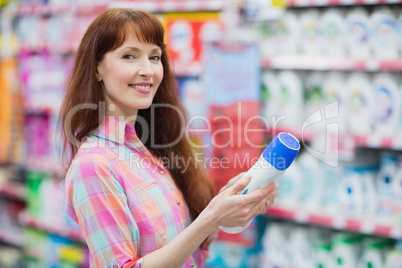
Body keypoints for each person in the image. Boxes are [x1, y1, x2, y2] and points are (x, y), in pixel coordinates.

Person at [59, 8, 278, 268]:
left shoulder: (151, 145)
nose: (148, 70)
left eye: (154, 57)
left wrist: (221, 214)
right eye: (129, 56)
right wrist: (208, 219)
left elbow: (179, 243)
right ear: (97, 68)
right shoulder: (94, 165)